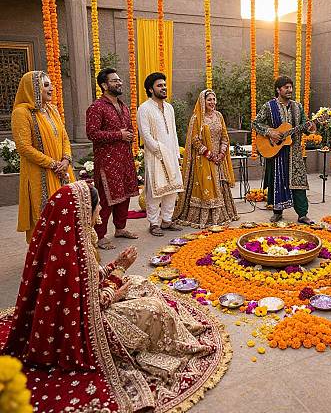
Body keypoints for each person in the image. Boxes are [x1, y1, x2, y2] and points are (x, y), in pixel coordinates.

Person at [1, 181, 231, 412]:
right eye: (97, 207)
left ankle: (178, 329)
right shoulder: (69, 253)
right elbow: (94, 303)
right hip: (88, 328)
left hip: (84, 309)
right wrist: (119, 275)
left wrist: (115, 266)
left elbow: (89, 279)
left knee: (142, 283)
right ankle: (183, 344)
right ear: (82, 211)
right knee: (153, 308)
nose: (100, 212)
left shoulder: (69, 241)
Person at [11, 70, 75, 242]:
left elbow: (64, 138)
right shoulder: (21, 113)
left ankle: (63, 254)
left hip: (62, 170)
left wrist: (66, 160)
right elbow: (24, 147)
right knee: (44, 216)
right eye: (46, 85)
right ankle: (42, 260)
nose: (51, 89)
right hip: (40, 174)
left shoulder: (52, 110)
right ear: (33, 89)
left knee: (67, 213)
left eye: (51, 84)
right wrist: (53, 164)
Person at [86, 67, 139, 249]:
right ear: (104, 85)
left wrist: (129, 135)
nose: (119, 82)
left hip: (125, 158)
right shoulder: (96, 107)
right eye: (114, 81)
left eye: (119, 80)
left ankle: (120, 228)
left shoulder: (123, 106)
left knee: (124, 196)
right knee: (107, 198)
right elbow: (92, 133)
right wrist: (119, 135)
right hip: (107, 161)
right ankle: (100, 236)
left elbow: (128, 129)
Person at [252, 75, 316, 224]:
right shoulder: (269, 106)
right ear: (278, 89)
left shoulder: (297, 107)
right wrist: (270, 132)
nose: (290, 90)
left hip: (294, 152)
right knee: (277, 181)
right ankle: (277, 212)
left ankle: (302, 214)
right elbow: (256, 123)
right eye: (286, 87)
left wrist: (311, 127)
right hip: (276, 151)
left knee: (298, 181)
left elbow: (305, 125)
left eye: (291, 87)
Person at [173, 89, 239, 228]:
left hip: (218, 159)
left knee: (220, 185)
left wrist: (221, 154)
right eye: (209, 99)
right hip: (203, 159)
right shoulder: (197, 118)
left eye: (214, 99)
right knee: (206, 186)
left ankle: (222, 215)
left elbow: (224, 136)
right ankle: (203, 218)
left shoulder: (219, 116)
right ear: (203, 101)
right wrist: (209, 155)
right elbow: (195, 141)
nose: (212, 102)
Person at [137, 72, 184, 236]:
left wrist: (176, 153)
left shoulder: (169, 108)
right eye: (160, 85)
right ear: (150, 89)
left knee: (172, 189)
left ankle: (167, 220)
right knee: (155, 191)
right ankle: (154, 223)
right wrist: (159, 151)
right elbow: (145, 134)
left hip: (171, 153)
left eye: (164, 85)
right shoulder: (144, 108)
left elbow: (174, 132)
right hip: (155, 156)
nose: (164, 88)